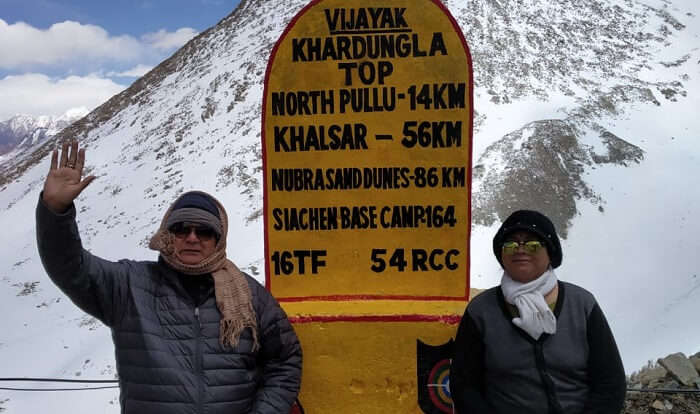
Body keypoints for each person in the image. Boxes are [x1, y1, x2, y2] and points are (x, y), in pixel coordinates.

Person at [36, 140, 302, 414]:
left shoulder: (248, 293)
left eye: (204, 232)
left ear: (219, 240)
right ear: (167, 235)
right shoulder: (130, 285)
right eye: (181, 229)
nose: (192, 238)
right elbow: (69, 267)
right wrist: (55, 211)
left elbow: (285, 360)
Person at [450, 210, 626, 414]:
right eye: (511, 244)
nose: (520, 250)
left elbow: (610, 382)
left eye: (533, 244)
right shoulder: (481, 310)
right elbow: (464, 386)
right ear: (501, 254)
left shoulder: (582, 304)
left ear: (550, 253)